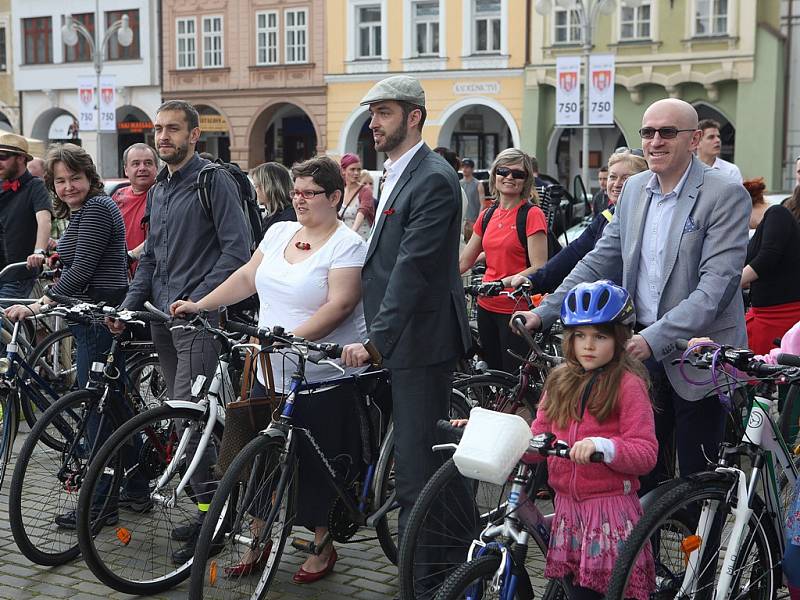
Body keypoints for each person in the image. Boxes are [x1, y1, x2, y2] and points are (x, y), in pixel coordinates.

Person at [515, 98, 751, 493]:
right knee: (642, 474)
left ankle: (700, 554)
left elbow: (716, 288)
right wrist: (548, 310)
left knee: (697, 481)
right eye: (647, 132)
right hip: (638, 351)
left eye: (667, 132)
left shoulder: (724, 194)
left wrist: (652, 338)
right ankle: (645, 555)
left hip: (700, 353)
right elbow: (599, 260)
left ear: (693, 140)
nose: (655, 141)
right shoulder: (636, 189)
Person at [173, 155, 365, 583]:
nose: (299, 199)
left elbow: (342, 303)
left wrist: (291, 336)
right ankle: (259, 541)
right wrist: (202, 303)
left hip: (321, 374)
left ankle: (322, 545)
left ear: (334, 197)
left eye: (310, 193)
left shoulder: (347, 243)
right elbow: (246, 276)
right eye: (296, 191)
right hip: (267, 369)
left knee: (317, 466)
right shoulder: (279, 230)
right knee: (258, 459)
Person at [109, 100, 251, 564]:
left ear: (194, 135)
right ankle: (209, 509)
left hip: (199, 321)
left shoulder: (214, 182)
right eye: (158, 130)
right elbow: (150, 259)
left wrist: (201, 301)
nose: (163, 137)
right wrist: (129, 308)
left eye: (173, 129)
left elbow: (238, 252)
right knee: (183, 420)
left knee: (192, 421)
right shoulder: (161, 188)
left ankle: (217, 519)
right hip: (162, 323)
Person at [340, 75, 471, 554]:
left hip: (420, 340)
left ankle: (434, 573)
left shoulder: (433, 177)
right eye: (372, 113)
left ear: (414, 117)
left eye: (384, 113)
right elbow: (381, 261)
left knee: (419, 469)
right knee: (422, 460)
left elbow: (412, 270)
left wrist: (376, 339)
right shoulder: (396, 170)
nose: (373, 122)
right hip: (401, 338)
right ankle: (447, 558)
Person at [5, 144, 133, 526]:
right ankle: (138, 479)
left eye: (74, 178)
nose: (67, 187)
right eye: (59, 181)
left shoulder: (94, 209)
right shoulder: (82, 213)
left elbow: (84, 272)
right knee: (115, 405)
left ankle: (101, 503)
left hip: (96, 315)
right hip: (88, 314)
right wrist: (54, 254)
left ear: (89, 177)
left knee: (96, 410)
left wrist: (39, 305)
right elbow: (77, 259)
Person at [527, 281, 656, 600]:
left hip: (609, 516)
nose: (588, 345)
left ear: (619, 338)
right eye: (580, 336)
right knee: (575, 592)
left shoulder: (628, 384)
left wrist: (605, 448)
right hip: (568, 513)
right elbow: (537, 436)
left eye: (600, 336)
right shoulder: (558, 382)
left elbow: (645, 452)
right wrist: (490, 433)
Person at [511, 149, 648, 295]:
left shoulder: (646, 218)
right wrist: (535, 280)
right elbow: (574, 252)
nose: (617, 184)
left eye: (626, 179)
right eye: (612, 177)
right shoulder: (607, 215)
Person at [459, 148, 548, 371]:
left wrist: (506, 282)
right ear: (494, 175)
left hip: (515, 309)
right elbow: (464, 262)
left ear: (526, 181)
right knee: (492, 374)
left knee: (513, 380)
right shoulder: (488, 214)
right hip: (485, 306)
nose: (509, 177)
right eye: (503, 171)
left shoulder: (531, 214)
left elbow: (540, 266)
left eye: (518, 174)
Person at [741, 178, 800, 354]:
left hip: (780, 315)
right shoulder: (767, 223)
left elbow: (768, 257)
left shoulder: (777, 213)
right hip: (767, 314)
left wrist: (730, 283)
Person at [0, 133, 52, 299]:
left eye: (3, 157)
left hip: (18, 274)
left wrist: (39, 251)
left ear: (21, 158)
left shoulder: (35, 186)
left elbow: (44, 220)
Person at [112, 143, 159, 274]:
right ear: (126, 170)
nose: (142, 168)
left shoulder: (165, 196)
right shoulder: (117, 196)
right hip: (121, 277)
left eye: (148, 163)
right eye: (136, 163)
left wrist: (129, 257)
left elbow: (162, 237)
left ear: (156, 168)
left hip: (154, 277)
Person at [250, 161, 296, 232]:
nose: (255, 191)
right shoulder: (274, 215)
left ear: (269, 187)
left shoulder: (287, 219)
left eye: (256, 186)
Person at [339, 153, 375, 239]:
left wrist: (352, 232)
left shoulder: (365, 190)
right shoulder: (340, 191)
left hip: (361, 238)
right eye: (352, 169)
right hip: (344, 238)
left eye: (359, 169)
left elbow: (363, 211)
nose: (356, 173)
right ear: (343, 171)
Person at [696, 118, 743, 184]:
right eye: (711, 137)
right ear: (697, 142)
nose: (718, 140)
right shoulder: (687, 168)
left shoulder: (731, 170)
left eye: (718, 136)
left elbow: (737, 194)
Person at [460, 157, 484, 242]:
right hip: (461, 221)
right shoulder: (459, 183)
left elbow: (482, 204)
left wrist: (478, 220)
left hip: (473, 221)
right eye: (463, 167)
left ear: (472, 169)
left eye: (467, 167)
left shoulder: (478, 184)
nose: (464, 169)